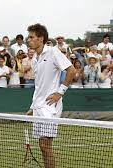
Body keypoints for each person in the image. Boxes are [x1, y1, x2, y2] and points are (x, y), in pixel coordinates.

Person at [26, 23, 76, 168]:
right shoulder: (35, 58)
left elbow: (71, 70)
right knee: (43, 146)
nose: (28, 40)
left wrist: (60, 93)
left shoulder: (53, 52)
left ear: (40, 38)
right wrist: (32, 106)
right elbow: (39, 86)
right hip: (38, 106)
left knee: (45, 144)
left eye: (31, 37)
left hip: (50, 107)